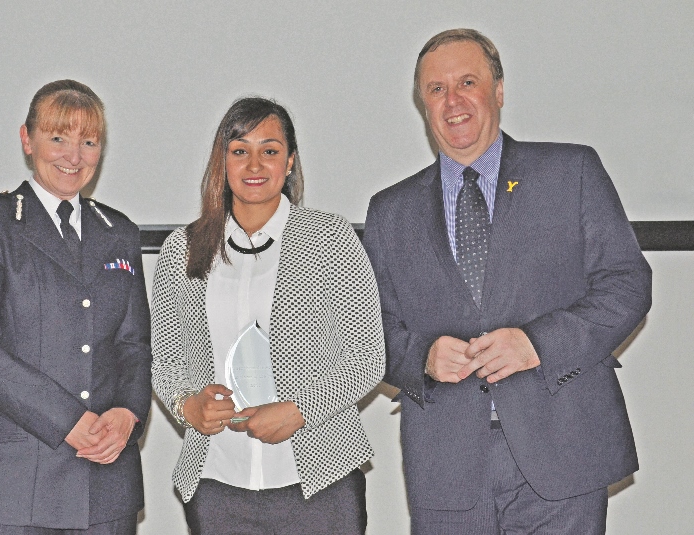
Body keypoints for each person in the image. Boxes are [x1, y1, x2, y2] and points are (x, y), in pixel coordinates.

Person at [363, 29, 652, 534]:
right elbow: (367, 329)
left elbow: (627, 283)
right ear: (422, 104)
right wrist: (422, 358)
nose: (452, 101)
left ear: (498, 90)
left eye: (467, 82)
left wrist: (536, 344)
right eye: (436, 89)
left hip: (563, 453)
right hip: (447, 467)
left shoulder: (571, 172)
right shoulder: (390, 212)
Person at [151, 97, 385, 535]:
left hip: (321, 482)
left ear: (290, 161)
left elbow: (367, 358)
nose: (254, 163)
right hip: (218, 484)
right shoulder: (182, 249)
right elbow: (166, 363)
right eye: (239, 150)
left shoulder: (329, 238)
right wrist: (188, 406)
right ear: (222, 162)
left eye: (270, 150)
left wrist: (299, 411)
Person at [0, 79, 152, 534]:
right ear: (27, 139)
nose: (72, 156)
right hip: (11, 485)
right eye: (58, 137)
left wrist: (128, 414)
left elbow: (134, 345)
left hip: (105, 481)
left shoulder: (120, 232)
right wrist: (67, 421)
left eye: (88, 141)